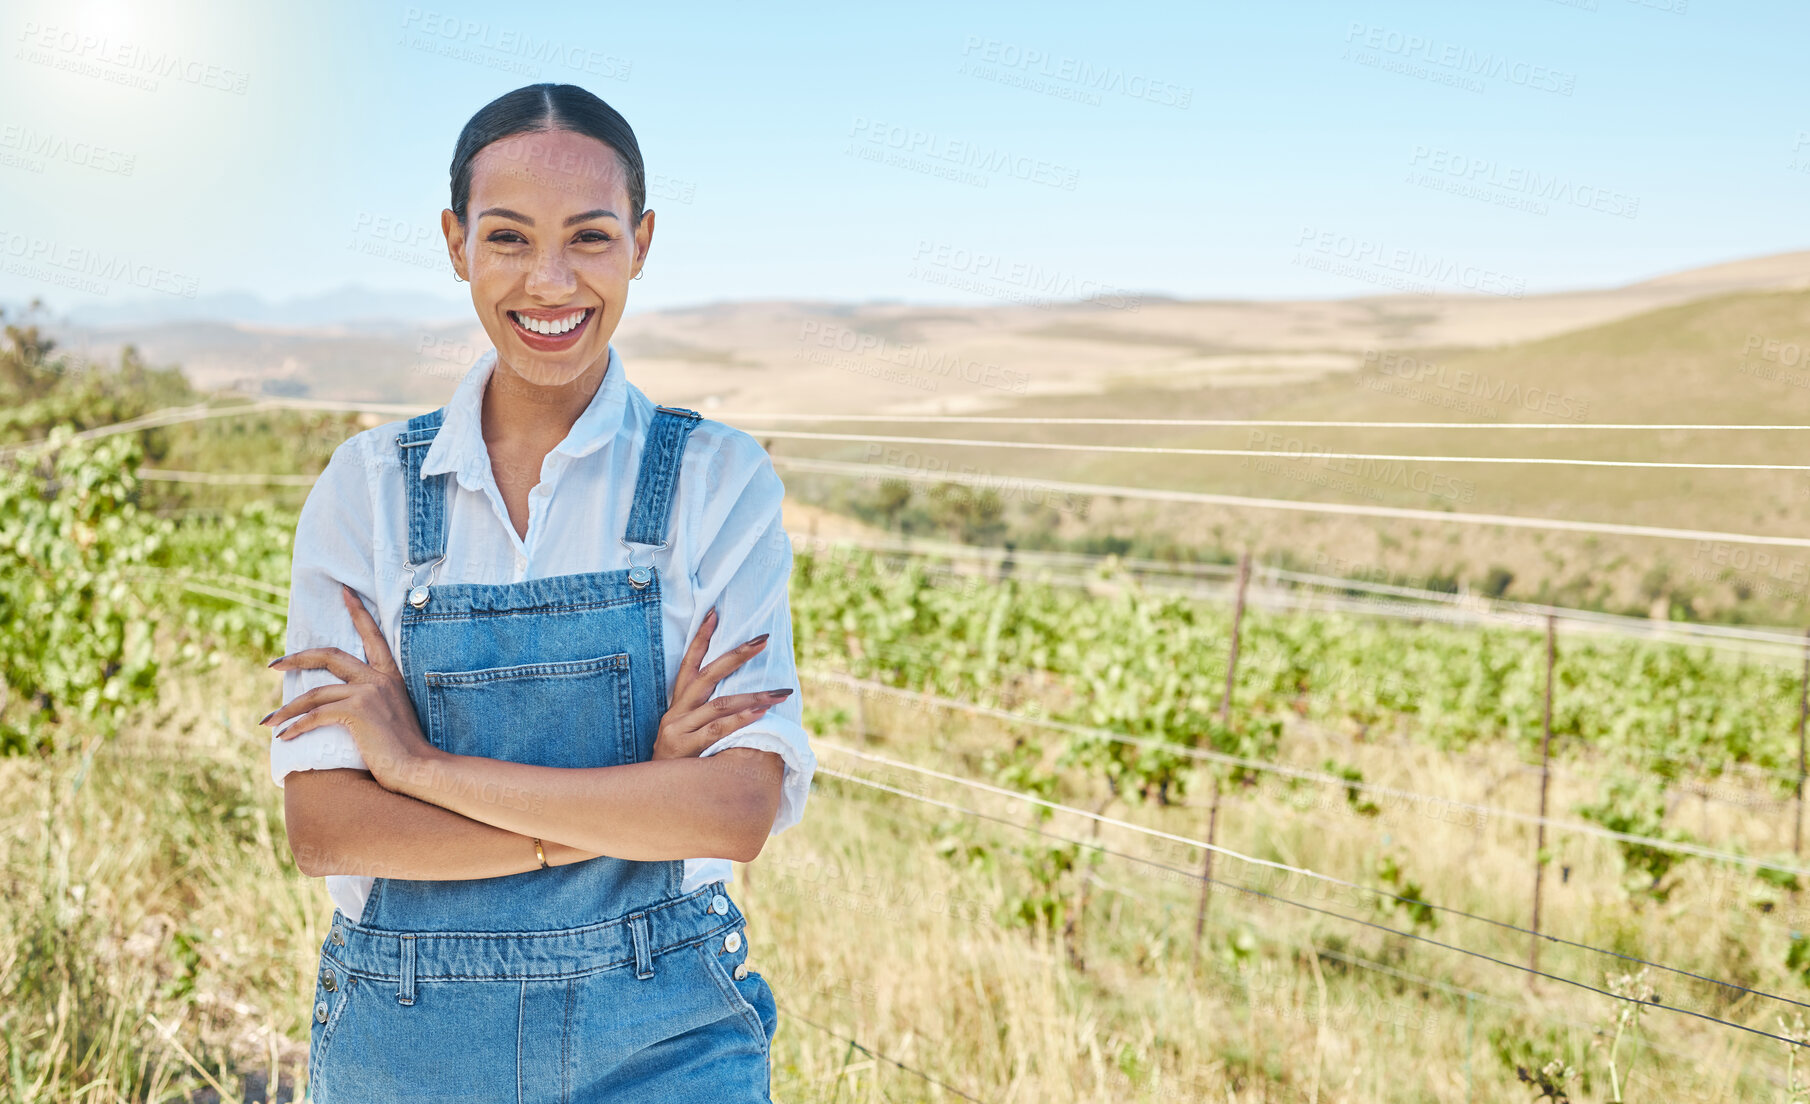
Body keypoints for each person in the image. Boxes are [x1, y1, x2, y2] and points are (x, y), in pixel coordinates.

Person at [262, 82, 813, 1102]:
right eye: (508, 237)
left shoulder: (714, 481)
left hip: (665, 1039)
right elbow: (328, 826)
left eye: (591, 238)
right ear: (454, 241)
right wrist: (634, 806)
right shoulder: (369, 491)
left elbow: (736, 808)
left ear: (641, 244)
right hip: (410, 1039)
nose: (549, 282)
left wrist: (417, 766)